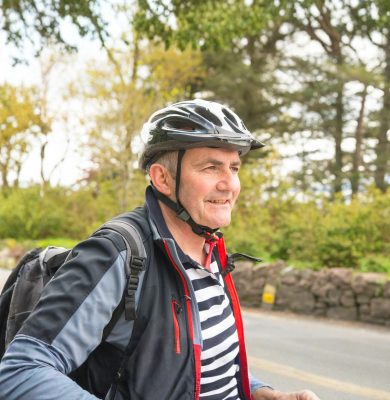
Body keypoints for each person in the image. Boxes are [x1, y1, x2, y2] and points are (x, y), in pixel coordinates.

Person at [0, 99, 320, 400]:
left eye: (234, 168)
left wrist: (261, 393)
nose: (229, 184)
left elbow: (198, 362)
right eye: (211, 168)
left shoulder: (210, 250)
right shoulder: (118, 253)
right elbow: (21, 370)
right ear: (163, 179)